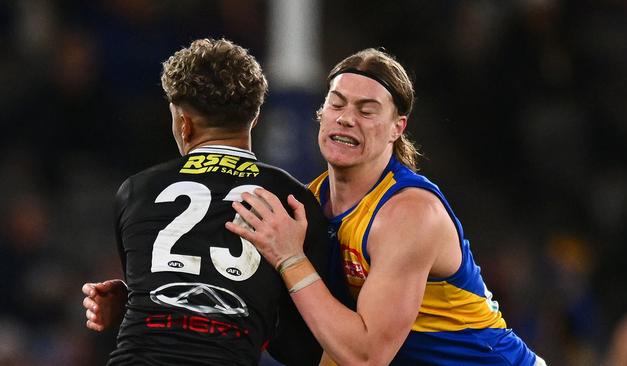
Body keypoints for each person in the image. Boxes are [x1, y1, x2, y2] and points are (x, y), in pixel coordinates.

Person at [226, 48, 546, 365]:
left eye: (367, 111)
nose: (347, 118)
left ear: (398, 128)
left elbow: (367, 357)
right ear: (321, 113)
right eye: (337, 103)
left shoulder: (409, 213)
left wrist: (290, 258)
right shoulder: (310, 201)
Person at [81, 37, 334, 365]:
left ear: (183, 125)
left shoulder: (136, 191)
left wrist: (131, 306)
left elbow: (163, 310)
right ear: (255, 119)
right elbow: (302, 350)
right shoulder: (294, 200)